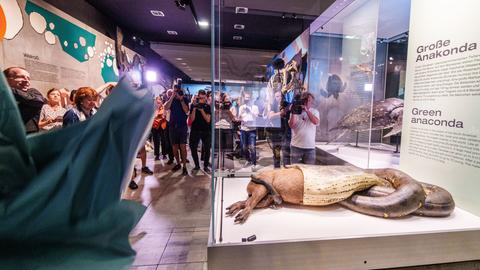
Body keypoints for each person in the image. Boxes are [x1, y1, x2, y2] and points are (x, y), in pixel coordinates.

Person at [3, 67, 45, 133]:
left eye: (28, 78)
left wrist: (6, 89)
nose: (26, 80)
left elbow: (37, 101)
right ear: (5, 79)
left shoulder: (32, 92)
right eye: (21, 77)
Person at [164, 84, 190, 175]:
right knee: (174, 146)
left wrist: (181, 99)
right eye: (175, 90)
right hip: (172, 126)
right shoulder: (171, 99)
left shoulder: (185, 99)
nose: (176, 92)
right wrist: (172, 96)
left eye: (177, 90)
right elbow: (166, 107)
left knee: (183, 147)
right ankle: (178, 163)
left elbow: (187, 111)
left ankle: (184, 166)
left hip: (182, 126)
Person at [288, 92, 319, 165]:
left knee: (310, 171)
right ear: (302, 100)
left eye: (309, 101)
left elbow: (316, 122)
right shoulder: (295, 111)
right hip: (296, 147)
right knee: (295, 171)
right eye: (305, 100)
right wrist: (293, 112)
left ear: (312, 102)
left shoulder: (314, 112)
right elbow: (292, 125)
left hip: (310, 148)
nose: (307, 102)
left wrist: (307, 111)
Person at [188, 90, 212, 173]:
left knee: (207, 149)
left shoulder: (208, 107)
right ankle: (197, 165)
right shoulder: (193, 106)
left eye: (203, 98)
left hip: (206, 130)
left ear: (205, 97)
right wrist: (194, 108)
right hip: (195, 130)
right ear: (197, 97)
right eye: (200, 98)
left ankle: (205, 166)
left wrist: (201, 110)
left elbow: (208, 120)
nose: (201, 100)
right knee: (193, 148)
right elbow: (192, 119)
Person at [266, 90, 291, 168]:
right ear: (274, 97)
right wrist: (281, 113)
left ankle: (287, 173)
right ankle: (276, 171)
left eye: (280, 96)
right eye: (277, 96)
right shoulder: (273, 105)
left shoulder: (287, 104)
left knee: (286, 154)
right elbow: (270, 116)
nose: (279, 98)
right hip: (275, 134)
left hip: (286, 132)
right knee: (276, 154)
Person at [238, 91, 260, 171]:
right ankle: (248, 159)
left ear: (251, 98)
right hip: (243, 129)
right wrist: (241, 115)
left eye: (248, 98)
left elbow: (256, 117)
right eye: (246, 97)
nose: (247, 99)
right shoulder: (241, 107)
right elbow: (239, 118)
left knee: (252, 147)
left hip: (252, 130)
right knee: (244, 147)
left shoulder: (255, 107)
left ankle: (254, 163)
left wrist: (250, 110)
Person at [151, 96, 169, 160]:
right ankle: (157, 155)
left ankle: (164, 154)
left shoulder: (164, 107)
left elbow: (164, 116)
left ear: (161, 101)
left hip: (162, 126)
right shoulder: (153, 108)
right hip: (154, 126)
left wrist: (158, 117)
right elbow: (152, 117)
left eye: (159, 100)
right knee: (156, 141)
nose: (158, 101)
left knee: (163, 141)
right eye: (157, 100)